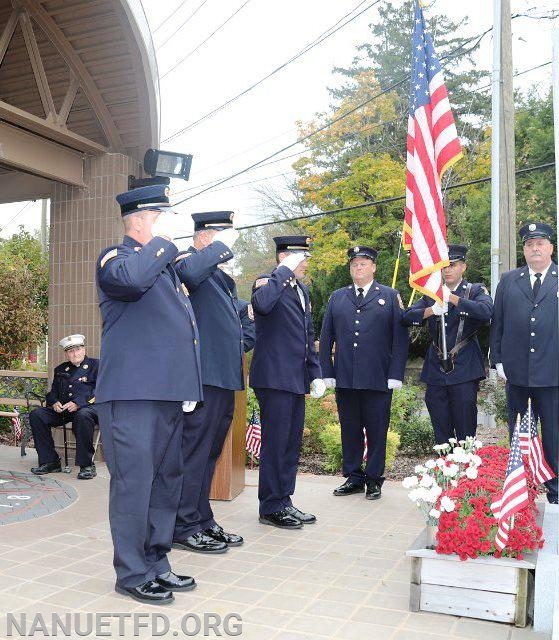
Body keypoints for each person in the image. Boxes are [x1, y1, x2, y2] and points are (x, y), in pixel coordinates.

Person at [95, 184, 202, 605]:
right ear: (139, 220)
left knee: (164, 482)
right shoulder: (116, 258)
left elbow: (184, 334)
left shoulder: (166, 272)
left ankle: (157, 562)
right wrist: (160, 245)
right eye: (161, 219)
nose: (167, 229)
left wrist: (187, 388)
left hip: (167, 394)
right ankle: (132, 572)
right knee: (133, 485)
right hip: (132, 395)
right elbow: (132, 280)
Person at [172, 211, 247, 555]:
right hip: (204, 377)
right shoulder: (189, 261)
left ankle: (202, 518)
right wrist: (216, 250)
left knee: (210, 453)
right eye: (220, 235)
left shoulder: (220, 278)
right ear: (204, 236)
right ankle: (184, 525)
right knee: (195, 452)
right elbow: (186, 272)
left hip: (224, 377)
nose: (227, 245)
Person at [320, 246, 409, 500]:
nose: (358, 267)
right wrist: (327, 370)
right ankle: (354, 477)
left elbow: (400, 339)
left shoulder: (390, 296)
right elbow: (326, 337)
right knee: (350, 428)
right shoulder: (337, 297)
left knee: (377, 429)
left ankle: (374, 479)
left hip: (378, 377)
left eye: (363, 263)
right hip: (346, 376)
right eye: (354, 264)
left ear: (373, 268)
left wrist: (396, 373)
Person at [250, 236, 325, 529]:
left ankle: (283, 500)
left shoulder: (301, 290)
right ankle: (270, 506)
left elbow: (308, 335)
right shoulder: (267, 282)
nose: (305, 263)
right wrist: (282, 270)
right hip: (274, 377)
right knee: (276, 443)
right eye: (299, 257)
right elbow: (262, 305)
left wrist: (315, 373)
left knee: (291, 444)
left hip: (295, 378)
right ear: (284, 258)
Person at [490, 222, 558, 504]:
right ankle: (522, 488)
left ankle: (555, 489)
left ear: (551, 247)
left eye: (540, 244)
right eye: (529, 245)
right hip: (517, 373)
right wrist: (498, 360)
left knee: (554, 434)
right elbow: (498, 324)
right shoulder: (509, 280)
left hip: (553, 373)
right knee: (519, 435)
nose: (535, 249)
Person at [402, 244, 493, 444]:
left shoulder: (475, 290)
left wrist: (452, 299)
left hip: (464, 368)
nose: (448, 270)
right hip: (436, 369)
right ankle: (443, 469)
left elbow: (486, 311)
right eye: (444, 266)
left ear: (464, 267)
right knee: (440, 431)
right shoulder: (431, 294)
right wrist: (431, 310)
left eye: (453, 265)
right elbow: (406, 317)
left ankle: (465, 470)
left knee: (465, 431)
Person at [30, 334, 98, 480]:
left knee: (83, 415)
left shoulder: (96, 366)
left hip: (89, 409)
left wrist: (78, 403)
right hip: (65, 410)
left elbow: (102, 390)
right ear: (66, 354)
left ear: (84, 350)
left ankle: (86, 465)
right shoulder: (61, 369)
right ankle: (50, 461)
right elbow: (53, 392)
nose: (75, 353)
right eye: (71, 351)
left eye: (78, 349)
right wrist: (54, 402)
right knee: (37, 415)